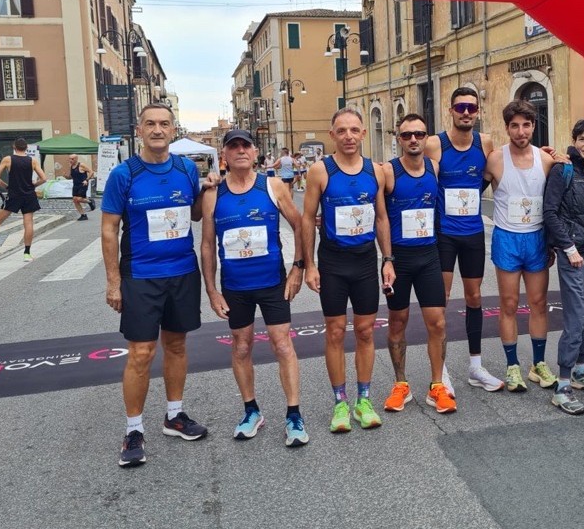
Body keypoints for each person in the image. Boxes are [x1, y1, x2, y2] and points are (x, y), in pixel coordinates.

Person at [100, 104, 208, 468]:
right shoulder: (123, 174)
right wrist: (113, 282)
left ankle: (174, 416)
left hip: (182, 271)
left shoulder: (186, 168)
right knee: (141, 353)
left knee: (176, 346)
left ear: (173, 129)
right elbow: (109, 229)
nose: (158, 130)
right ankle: (133, 430)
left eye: (164, 124)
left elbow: (193, 213)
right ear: (139, 129)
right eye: (151, 124)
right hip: (141, 275)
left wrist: (208, 190)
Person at [200, 129, 309, 447]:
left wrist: (297, 268)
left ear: (255, 150)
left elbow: (298, 222)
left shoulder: (273, 185)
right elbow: (207, 245)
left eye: (245, 145)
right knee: (242, 347)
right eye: (233, 146)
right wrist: (211, 290)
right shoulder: (213, 194)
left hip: (273, 282)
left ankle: (293, 415)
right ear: (224, 155)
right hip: (235, 286)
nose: (240, 151)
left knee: (282, 345)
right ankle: (251, 411)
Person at [302, 108, 395, 433]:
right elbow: (306, 220)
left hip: (366, 261)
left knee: (367, 331)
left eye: (354, 130)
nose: (349, 136)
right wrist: (309, 265)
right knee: (336, 331)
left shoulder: (376, 171)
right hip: (333, 261)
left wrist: (388, 260)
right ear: (333, 135)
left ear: (363, 133)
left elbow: (381, 217)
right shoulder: (320, 171)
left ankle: (363, 399)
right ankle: (340, 402)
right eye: (342, 130)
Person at [424, 87, 504, 393]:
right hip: (444, 234)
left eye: (471, 107)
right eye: (461, 108)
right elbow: (419, 177)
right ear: (451, 110)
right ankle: (440, 369)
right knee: (440, 302)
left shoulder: (485, 143)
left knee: (474, 297)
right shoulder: (435, 144)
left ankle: (475, 367)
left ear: (479, 111)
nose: (466, 112)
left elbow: (487, 177)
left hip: (472, 233)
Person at [381, 114, 456, 415]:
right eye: (406, 135)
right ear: (398, 139)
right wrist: (386, 259)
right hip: (398, 259)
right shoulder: (387, 172)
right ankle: (401, 385)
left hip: (428, 256)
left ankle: (437, 385)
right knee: (397, 322)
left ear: (426, 138)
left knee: (437, 322)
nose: (413, 139)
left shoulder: (434, 168)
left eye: (419, 134)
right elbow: (380, 217)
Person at [484, 99, 557, 392]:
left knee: (539, 303)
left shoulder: (547, 160)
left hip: (536, 237)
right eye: (514, 125)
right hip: (507, 237)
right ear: (507, 128)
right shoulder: (495, 159)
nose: (520, 131)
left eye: (526, 125)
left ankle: (538, 364)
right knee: (509, 304)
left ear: (533, 126)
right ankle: (512, 366)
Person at [543, 119, 584, 415]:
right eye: (581, 138)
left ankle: (581, 370)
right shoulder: (563, 169)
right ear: (574, 140)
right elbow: (550, 212)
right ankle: (562, 384)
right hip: (574, 254)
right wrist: (568, 247)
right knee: (574, 317)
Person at [67, 154, 95, 220]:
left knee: (79, 199)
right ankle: (83, 215)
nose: (70, 160)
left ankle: (90, 201)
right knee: (75, 200)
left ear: (76, 159)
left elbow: (91, 172)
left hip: (83, 184)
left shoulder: (81, 165)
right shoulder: (71, 166)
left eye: (72, 159)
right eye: (70, 159)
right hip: (75, 185)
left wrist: (86, 180)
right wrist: (65, 176)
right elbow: (71, 176)